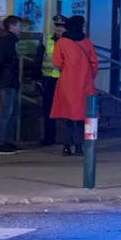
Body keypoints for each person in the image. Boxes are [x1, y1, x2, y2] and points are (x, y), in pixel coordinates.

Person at [51, 15, 98, 156]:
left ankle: (66, 146)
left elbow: (57, 62)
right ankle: (79, 146)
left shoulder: (62, 42)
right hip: (85, 84)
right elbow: (94, 63)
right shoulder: (86, 42)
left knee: (65, 115)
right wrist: (88, 77)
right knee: (82, 116)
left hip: (66, 83)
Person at [0, 15, 24, 155]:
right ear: (12, 26)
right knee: (6, 113)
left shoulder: (8, 41)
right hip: (6, 82)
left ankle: (8, 142)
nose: (20, 29)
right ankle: (0, 144)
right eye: (19, 26)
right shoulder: (5, 42)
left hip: (9, 81)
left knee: (13, 112)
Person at [37, 15, 67, 146]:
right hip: (48, 79)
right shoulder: (46, 39)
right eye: (56, 25)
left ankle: (66, 138)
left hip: (64, 80)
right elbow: (38, 59)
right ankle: (49, 137)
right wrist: (36, 77)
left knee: (65, 110)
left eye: (61, 25)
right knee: (48, 109)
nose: (58, 28)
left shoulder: (69, 41)